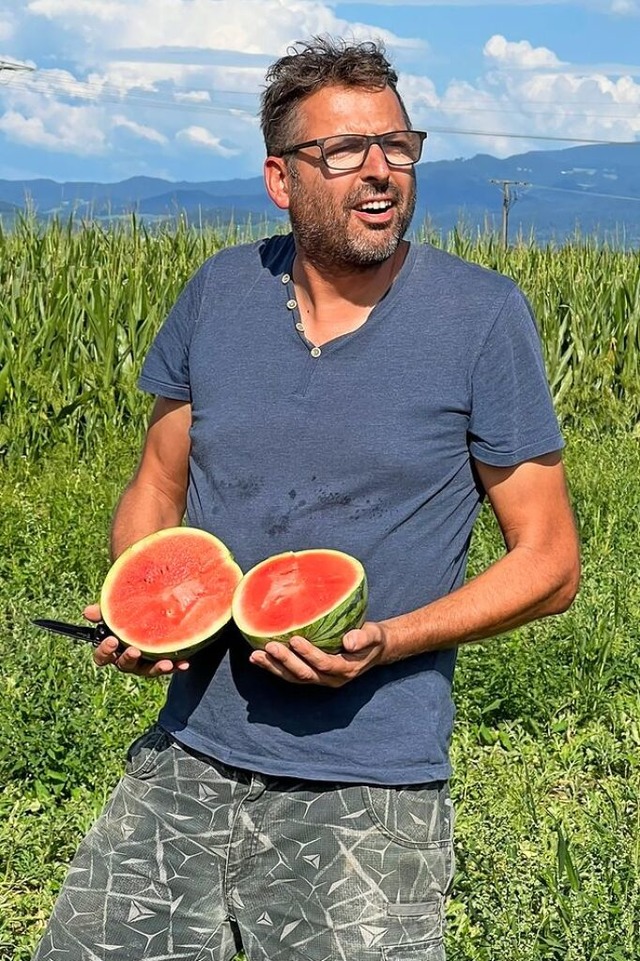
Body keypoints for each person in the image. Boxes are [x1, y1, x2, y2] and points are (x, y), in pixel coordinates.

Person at [32, 36, 580, 961]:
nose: (381, 172)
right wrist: (153, 609)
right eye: (344, 152)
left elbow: (551, 564)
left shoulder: (483, 316)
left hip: (370, 781)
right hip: (190, 753)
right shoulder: (219, 292)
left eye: (398, 146)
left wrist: (388, 640)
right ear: (280, 178)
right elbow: (156, 487)